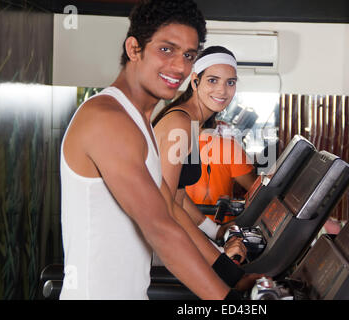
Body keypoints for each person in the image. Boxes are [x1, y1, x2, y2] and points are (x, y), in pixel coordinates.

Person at [59, 0, 248, 300]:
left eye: (188, 55)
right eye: (166, 49)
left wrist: (231, 272)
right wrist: (232, 300)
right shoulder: (108, 119)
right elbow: (161, 228)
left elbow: (168, 209)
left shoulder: (141, 123)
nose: (180, 66)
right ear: (134, 49)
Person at [153, 46, 243, 241]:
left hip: (165, 234)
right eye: (212, 80)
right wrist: (216, 256)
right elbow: (165, 207)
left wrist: (214, 231)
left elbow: (179, 195)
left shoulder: (194, 124)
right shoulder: (181, 123)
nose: (222, 90)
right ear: (195, 81)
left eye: (230, 82)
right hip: (150, 240)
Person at [185, 117, 257, 223]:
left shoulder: (173, 145)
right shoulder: (229, 146)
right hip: (219, 227)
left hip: (181, 226)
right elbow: (256, 190)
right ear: (215, 122)